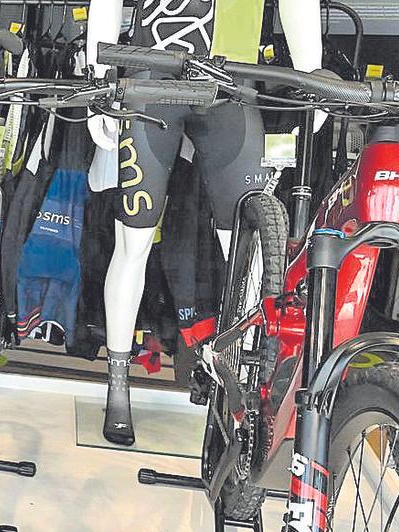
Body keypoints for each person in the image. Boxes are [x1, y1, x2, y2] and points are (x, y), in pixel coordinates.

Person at [85, 0, 325, 446]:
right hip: (150, 76)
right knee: (132, 243)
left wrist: (314, 71)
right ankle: (118, 383)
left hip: (230, 83)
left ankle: (249, 384)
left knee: (251, 255)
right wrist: (100, 80)